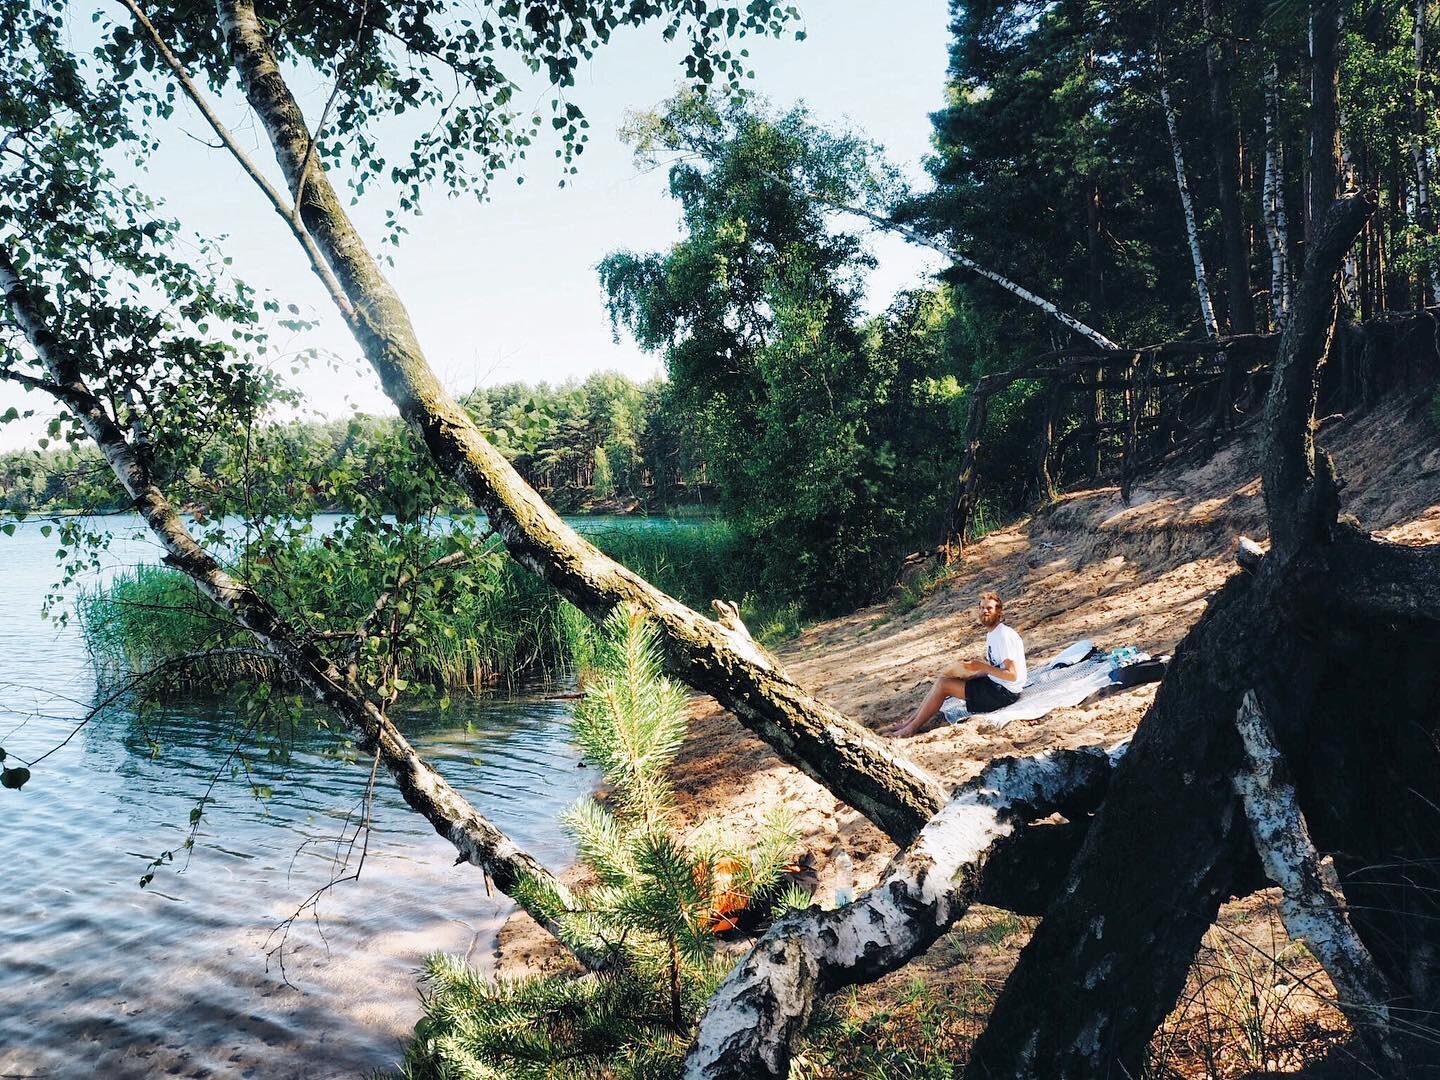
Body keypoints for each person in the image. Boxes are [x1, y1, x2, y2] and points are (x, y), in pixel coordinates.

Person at [890, 590, 1026, 738]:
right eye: (981, 608)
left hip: (1005, 694)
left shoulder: (1003, 636)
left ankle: (912, 728)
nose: (984, 612)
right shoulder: (992, 633)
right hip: (996, 685)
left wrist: (981, 666)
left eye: (989, 608)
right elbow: (996, 668)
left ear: (998, 610)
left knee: (944, 686)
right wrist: (971, 675)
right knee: (944, 679)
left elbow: (1012, 675)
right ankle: (909, 722)